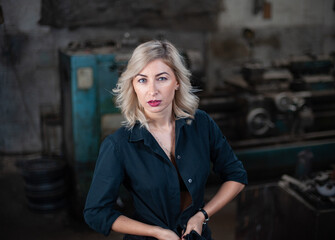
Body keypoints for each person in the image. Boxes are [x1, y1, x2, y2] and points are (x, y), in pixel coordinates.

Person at [83, 40, 248, 240]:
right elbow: (96, 212)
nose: (152, 90)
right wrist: (157, 232)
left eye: (162, 78)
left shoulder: (201, 124)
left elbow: (236, 176)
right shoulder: (119, 145)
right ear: (133, 85)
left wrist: (201, 216)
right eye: (142, 80)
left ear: (177, 81)